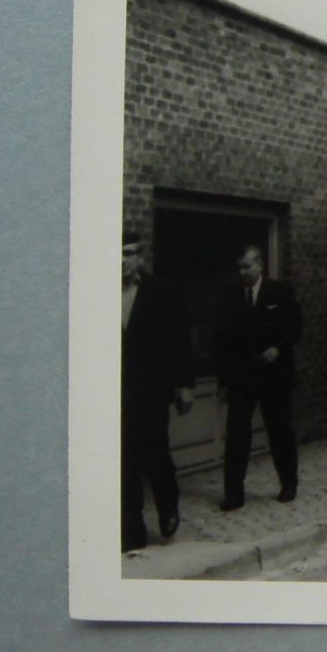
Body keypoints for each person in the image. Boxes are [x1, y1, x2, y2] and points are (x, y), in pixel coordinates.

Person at [120, 231, 194, 552]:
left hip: (151, 391)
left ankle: (167, 504)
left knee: (155, 456)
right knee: (124, 462)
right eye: (117, 253)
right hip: (117, 394)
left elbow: (179, 341)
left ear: (139, 257)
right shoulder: (92, 292)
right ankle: (132, 530)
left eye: (129, 253)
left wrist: (184, 385)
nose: (122, 260)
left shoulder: (160, 292)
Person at [215, 245, 303, 510]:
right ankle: (233, 493)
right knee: (237, 435)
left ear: (260, 265)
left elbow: (296, 327)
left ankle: (288, 483)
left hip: (273, 375)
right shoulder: (230, 296)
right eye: (239, 267)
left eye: (247, 266)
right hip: (242, 376)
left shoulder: (280, 292)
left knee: (279, 431)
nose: (243, 272)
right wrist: (223, 381)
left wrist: (278, 349)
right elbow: (222, 341)